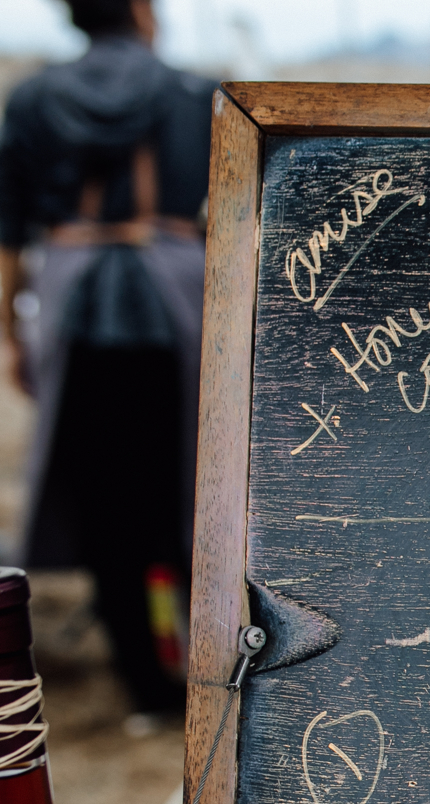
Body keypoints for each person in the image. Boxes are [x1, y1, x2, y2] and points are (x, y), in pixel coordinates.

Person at [0, 0, 214, 723]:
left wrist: (12, 332)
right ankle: (215, 674)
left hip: (73, 305)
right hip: (179, 306)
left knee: (105, 509)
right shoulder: (195, 92)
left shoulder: (32, 97)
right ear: (141, 11)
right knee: (195, 493)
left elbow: (9, 231)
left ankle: (148, 689)